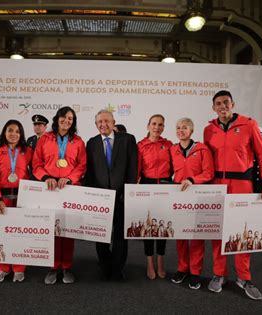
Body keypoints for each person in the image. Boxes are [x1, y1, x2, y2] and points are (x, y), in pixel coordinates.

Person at [204, 90, 262, 300]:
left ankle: (244, 277)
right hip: (216, 184)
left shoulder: (249, 124)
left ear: (233, 104)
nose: (223, 106)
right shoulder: (208, 129)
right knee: (218, 231)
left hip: (242, 184)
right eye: (218, 103)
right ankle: (219, 274)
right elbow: (205, 159)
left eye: (226, 102)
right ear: (213, 107)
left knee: (242, 232)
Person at [32, 106, 86, 284]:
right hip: (49, 189)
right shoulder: (45, 139)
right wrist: (46, 176)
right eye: (64, 117)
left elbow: (81, 166)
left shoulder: (78, 141)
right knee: (53, 229)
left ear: (73, 122)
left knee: (67, 230)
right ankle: (53, 267)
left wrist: (70, 178)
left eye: (70, 119)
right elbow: (36, 164)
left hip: (69, 189)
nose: (67, 121)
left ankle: (67, 266)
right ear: (57, 119)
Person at [85, 109, 138, 281]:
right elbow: (90, 171)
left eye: (107, 121)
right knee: (100, 234)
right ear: (96, 125)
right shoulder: (91, 143)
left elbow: (132, 168)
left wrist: (129, 192)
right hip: (100, 197)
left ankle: (117, 268)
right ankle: (105, 265)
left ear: (113, 122)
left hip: (122, 195)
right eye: (100, 122)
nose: (103, 124)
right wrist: (89, 194)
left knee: (120, 234)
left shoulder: (128, 139)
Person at [170, 117, 214, 290]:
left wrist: (192, 179)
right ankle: (182, 268)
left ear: (192, 131)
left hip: (197, 197)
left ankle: (195, 272)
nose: (181, 130)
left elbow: (209, 173)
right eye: (178, 127)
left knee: (196, 236)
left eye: (185, 127)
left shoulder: (202, 149)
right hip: (179, 198)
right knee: (180, 234)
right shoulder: (173, 149)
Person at [0, 119, 33, 283]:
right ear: (4, 132)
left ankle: (19, 269)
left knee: (20, 233)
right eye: (10, 130)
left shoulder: (27, 151)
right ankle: (2, 268)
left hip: (22, 199)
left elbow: (34, 173)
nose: (13, 134)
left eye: (17, 131)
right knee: (2, 234)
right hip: (2, 199)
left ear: (21, 134)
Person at [137, 114, 172, 280]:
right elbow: (136, 170)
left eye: (160, 125)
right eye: (154, 124)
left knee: (162, 227)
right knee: (149, 226)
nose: (157, 127)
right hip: (146, 186)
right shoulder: (141, 145)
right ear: (148, 125)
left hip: (165, 186)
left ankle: (161, 260)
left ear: (163, 127)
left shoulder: (169, 145)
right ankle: (149, 261)